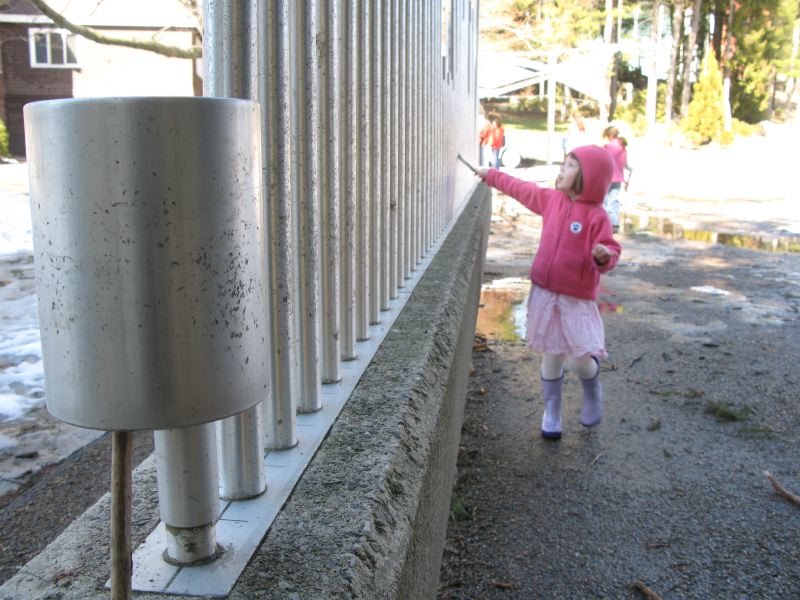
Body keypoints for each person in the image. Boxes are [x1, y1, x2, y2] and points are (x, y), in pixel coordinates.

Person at [475, 145, 621, 440]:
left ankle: (592, 389)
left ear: (588, 176)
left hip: (576, 299)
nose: (561, 170)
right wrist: (491, 174)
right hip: (545, 292)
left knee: (579, 358)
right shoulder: (550, 200)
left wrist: (603, 256)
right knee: (551, 355)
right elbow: (519, 188)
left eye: (569, 166)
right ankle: (551, 412)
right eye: (563, 164)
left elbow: (610, 250)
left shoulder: (597, 216)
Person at [602, 125, 632, 232]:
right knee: (613, 201)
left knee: (604, 201)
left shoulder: (607, 147)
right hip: (618, 178)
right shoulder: (622, 147)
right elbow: (626, 164)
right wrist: (630, 170)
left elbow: (602, 162)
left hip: (606, 177)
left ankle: (605, 223)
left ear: (610, 135)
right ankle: (614, 223)